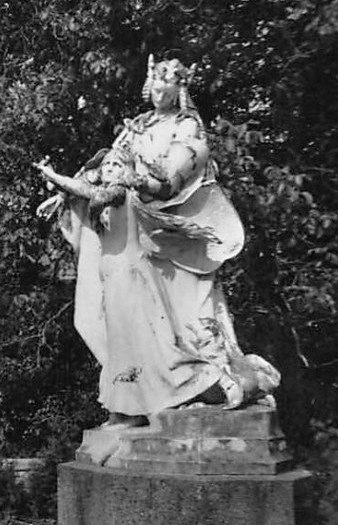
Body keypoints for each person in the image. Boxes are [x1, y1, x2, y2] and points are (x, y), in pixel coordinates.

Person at [35, 57, 279, 427]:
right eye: (156, 80)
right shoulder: (135, 128)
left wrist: (137, 182)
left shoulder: (188, 128)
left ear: (181, 87)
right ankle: (132, 400)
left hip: (162, 239)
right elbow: (103, 171)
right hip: (124, 235)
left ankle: (169, 395)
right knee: (113, 320)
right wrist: (67, 193)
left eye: (168, 81)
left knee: (151, 324)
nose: (159, 88)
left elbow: (172, 180)